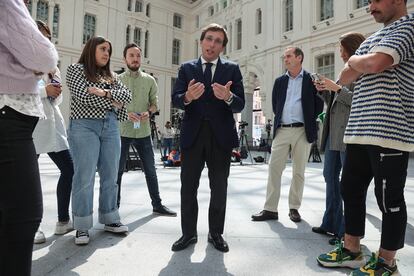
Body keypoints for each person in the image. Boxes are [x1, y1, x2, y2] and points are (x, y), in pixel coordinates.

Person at [317, 0, 413, 275]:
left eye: (375, 0)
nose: (370, 7)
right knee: (350, 189)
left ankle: (386, 263)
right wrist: (360, 62)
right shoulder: (374, 37)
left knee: (388, 199)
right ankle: (351, 249)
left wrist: (357, 60)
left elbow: (374, 63)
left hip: (389, 129)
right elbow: (346, 76)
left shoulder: (408, 27)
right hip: (359, 128)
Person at [171, 23, 245, 253]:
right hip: (193, 136)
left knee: (219, 187)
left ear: (222, 47)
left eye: (218, 41)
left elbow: (240, 102)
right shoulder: (186, 68)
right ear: (201, 41)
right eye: (209, 39)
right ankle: (188, 234)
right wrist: (187, 97)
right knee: (188, 187)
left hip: (220, 137)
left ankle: (216, 234)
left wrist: (229, 96)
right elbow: (175, 99)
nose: (212, 44)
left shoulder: (232, 69)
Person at [0, 0, 58, 274]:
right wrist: (32, 64)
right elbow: (45, 58)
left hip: (14, 119)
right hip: (8, 117)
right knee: (23, 218)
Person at [66, 36, 132, 245]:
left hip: (111, 126)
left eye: (109, 51)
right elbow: (82, 96)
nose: (107, 54)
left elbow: (127, 97)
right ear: (91, 48)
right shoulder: (75, 70)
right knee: (84, 176)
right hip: (84, 125)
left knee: (111, 174)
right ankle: (82, 226)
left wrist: (103, 92)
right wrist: (113, 100)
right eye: (103, 49)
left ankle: (110, 218)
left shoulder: (112, 76)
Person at [251, 46, 323, 223]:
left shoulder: (311, 80)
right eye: (284, 57)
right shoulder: (279, 81)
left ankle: (294, 208)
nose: (286, 59)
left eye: (289, 56)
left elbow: (319, 105)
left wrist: (307, 118)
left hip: (302, 130)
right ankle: (270, 209)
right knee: (274, 169)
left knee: (299, 171)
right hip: (282, 130)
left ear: (299, 58)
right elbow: (276, 105)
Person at [311, 32, 365, 245]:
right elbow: (336, 101)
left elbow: (359, 101)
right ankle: (330, 222)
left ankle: (345, 231)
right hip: (334, 135)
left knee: (347, 185)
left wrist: (337, 88)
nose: (340, 53)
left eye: (343, 49)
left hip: (349, 135)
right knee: (329, 178)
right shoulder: (344, 71)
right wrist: (324, 91)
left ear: (352, 48)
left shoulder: (363, 71)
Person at [116, 43, 176, 216]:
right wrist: (126, 114)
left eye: (138, 56)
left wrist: (148, 112)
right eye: (131, 55)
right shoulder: (117, 80)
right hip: (122, 132)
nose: (135, 59)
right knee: (117, 171)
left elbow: (154, 104)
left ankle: (157, 204)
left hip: (143, 132)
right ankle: (114, 207)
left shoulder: (150, 80)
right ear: (125, 59)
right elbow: (113, 105)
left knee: (150, 170)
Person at [32, 20, 74, 244]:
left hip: (52, 124)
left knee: (69, 169)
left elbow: (58, 99)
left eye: (47, 36)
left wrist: (55, 91)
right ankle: (33, 227)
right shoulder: (20, 58)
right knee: (28, 178)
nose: (44, 39)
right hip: (29, 125)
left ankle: (62, 220)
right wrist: (43, 90)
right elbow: (13, 88)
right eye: (40, 35)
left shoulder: (52, 65)